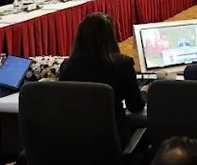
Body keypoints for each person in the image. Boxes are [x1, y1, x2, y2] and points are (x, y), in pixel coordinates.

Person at [58, 13, 146, 144]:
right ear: (110, 37)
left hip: (75, 142)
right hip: (113, 142)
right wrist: (145, 92)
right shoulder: (122, 64)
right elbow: (135, 107)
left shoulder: (67, 66)